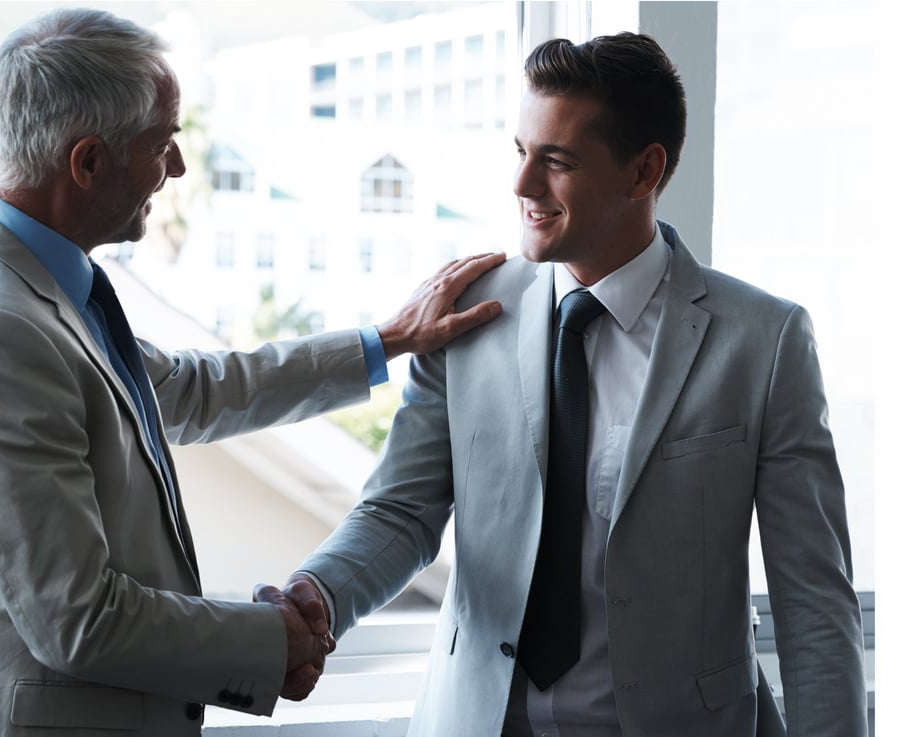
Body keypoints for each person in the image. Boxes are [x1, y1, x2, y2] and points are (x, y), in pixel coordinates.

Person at [0, 8, 504, 736]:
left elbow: (188, 391)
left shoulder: (42, 278)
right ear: (87, 162)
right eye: (163, 144)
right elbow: (79, 621)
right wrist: (272, 639)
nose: (178, 168)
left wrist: (387, 339)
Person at [277, 33, 868, 737]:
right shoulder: (464, 315)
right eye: (521, 152)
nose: (523, 185)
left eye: (555, 161)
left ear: (643, 170)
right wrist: (318, 592)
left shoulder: (763, 342)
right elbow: (400, 512)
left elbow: (813, 600)